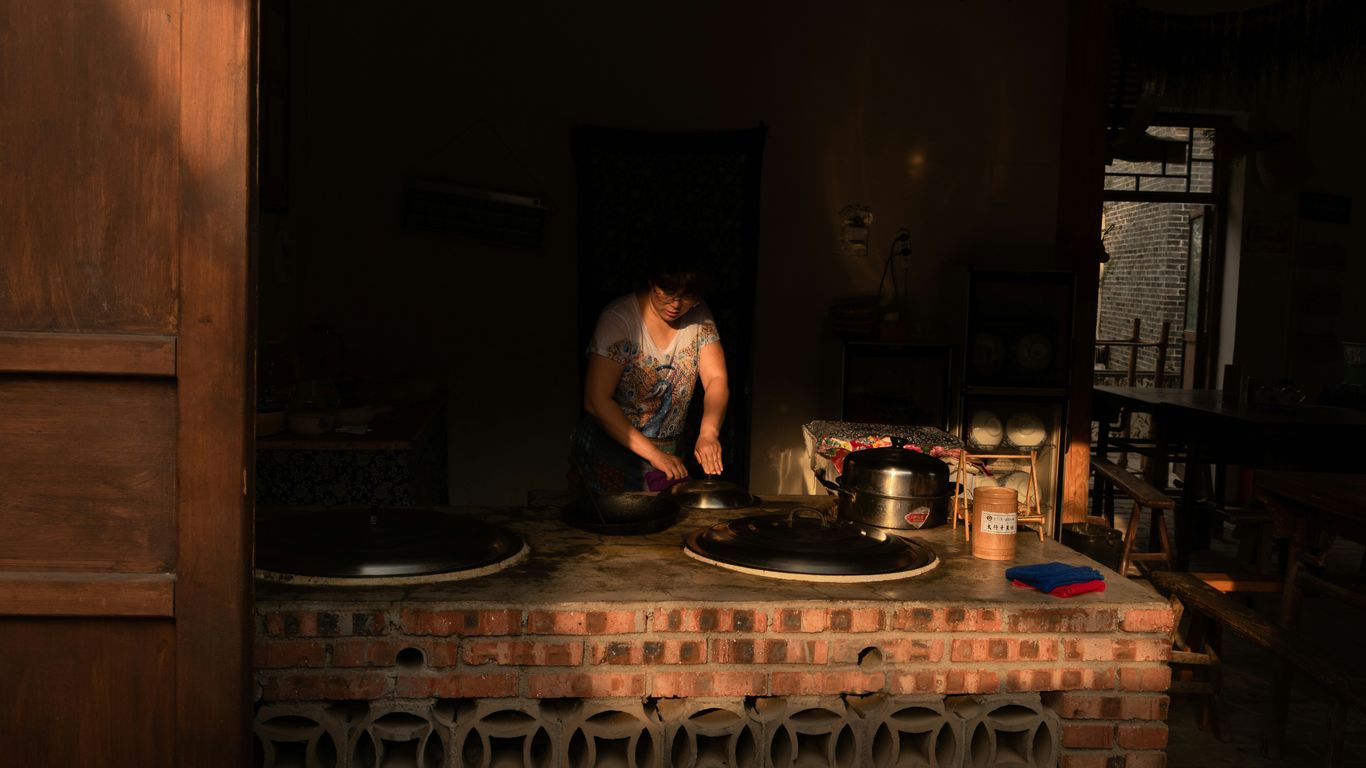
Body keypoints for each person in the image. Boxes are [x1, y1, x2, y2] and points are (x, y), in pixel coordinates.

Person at [569, 248, 729, 494]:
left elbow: (716, 378)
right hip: (614, 452)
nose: (675, 304)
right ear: (652, 281)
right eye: (666, 293)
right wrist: (654, 454)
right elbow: (596, 401)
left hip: (668, 453)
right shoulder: (619, 320)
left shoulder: (698, 313)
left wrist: (709, 432)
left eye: (686, 296)